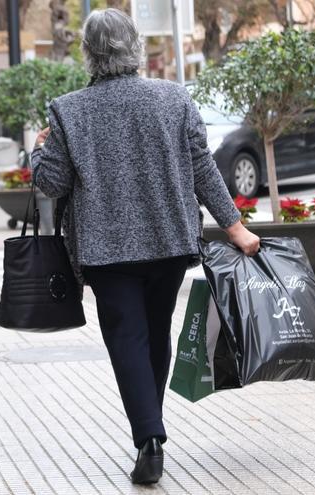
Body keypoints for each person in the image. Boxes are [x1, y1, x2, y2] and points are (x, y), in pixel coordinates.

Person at [30, 9, 260, 485]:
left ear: (88, 53)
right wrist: (234, 226)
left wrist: (38, 149)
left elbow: (51, 184)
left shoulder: (68, 110)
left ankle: (149, 439)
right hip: (169, 239)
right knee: (156, 334)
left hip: (106, 251)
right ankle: (150, 429)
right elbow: (203, 168)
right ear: (134, 46)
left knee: (126, 337)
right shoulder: (174, 98)